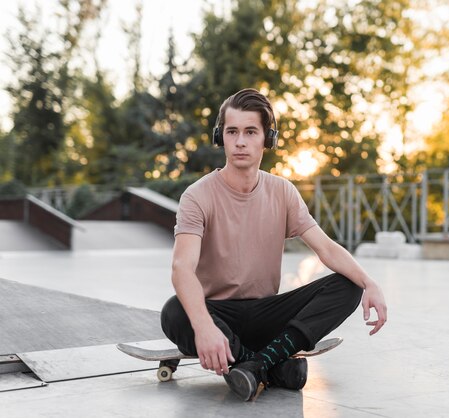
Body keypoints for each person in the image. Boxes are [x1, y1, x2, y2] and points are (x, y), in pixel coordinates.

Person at [160, 88, 387, 401]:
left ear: (268, 138)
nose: (240, 141)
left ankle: (255, 365)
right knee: (174, 312)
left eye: (251, 131)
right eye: (232, 131)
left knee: (348, 286)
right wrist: (204, 327)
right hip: (218, 316)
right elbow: (181, 267)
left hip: (266, 313)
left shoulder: (283, 192)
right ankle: (275, 365)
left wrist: (369, 282)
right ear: (220, 137)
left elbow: (326, 249)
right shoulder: (197, 196)